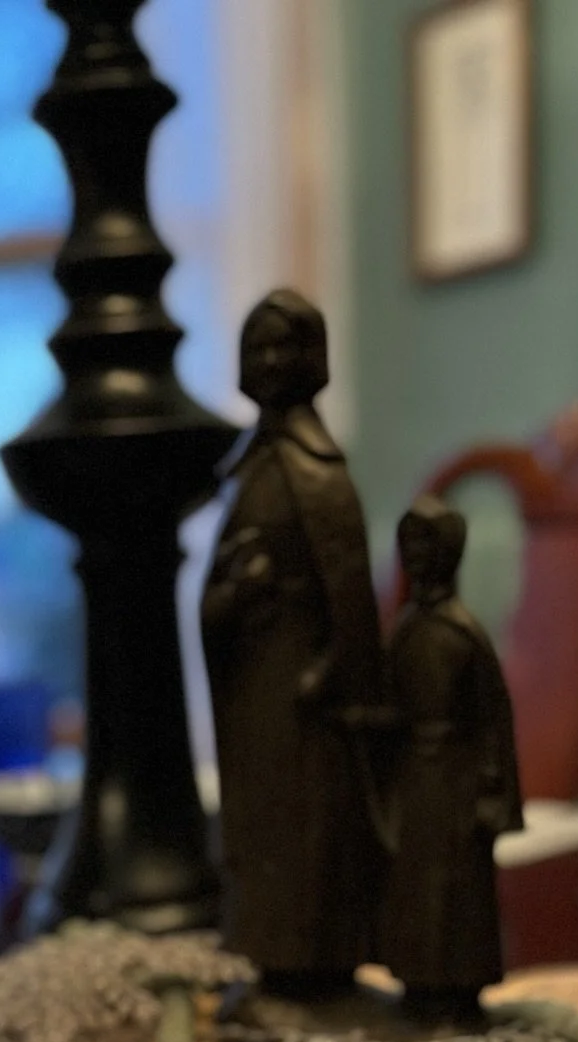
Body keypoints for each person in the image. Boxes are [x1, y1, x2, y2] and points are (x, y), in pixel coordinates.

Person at [200, 290, 385, 993]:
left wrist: (333, 675)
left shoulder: (316, 474)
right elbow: (223, 586)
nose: (271, 361)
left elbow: (350, 598)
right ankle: (276, 964)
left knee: (308, 833)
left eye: (285, 345)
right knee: (261, 829)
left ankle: (314, 970)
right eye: (258, 346)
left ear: (316, 361)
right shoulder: (251, 468)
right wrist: (233, 599)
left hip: (303, 695)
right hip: (258, 691)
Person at [378, 494, 523, 1016]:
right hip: (415, 780)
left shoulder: (464, 635)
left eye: (427, 546)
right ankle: (419, 984)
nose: (418, 559)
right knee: (415, 887)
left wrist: (492, 793)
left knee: (457, 892)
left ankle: (458, 991)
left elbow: (494, 726)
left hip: (457, 785)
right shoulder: (406, 631)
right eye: (409, 547)